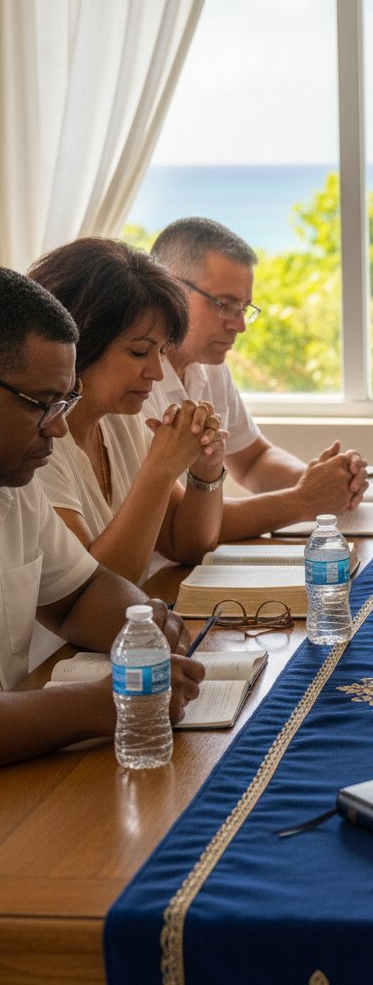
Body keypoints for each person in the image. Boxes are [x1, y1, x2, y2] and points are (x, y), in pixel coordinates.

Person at [0, 267, 202, 765]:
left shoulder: (15, 487)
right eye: (43, 403)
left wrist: (145, 626)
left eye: (65, 401)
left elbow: (80, 593)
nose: (58, 428)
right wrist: (104, 704)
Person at [148, 217, 367, 539]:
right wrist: (304, 500)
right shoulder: (138, 379)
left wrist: (325, 480)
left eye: (244, 308)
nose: (239, 326)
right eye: (225, 304)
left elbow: (254, 460)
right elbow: (179, 525)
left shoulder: (210, 365)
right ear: (171, 287)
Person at [28, 239, 227, 583]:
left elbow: (188, 545)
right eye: (139, 352)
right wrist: (161, 468)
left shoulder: (123, 419)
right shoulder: (35, 444)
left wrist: (205, 470)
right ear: (80, 342)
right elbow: (95, 588)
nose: (157, 373)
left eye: (161, 352)